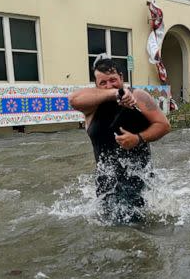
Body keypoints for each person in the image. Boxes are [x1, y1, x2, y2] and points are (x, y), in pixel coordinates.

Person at [69, 55, 171, 223]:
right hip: (106, 185)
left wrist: (138, 138)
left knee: (137, 232)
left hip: (139, 181)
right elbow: (73, 99)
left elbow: (163, 125)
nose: (109, 85)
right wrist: (114, 93)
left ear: (122, 78)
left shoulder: (139, 96)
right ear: (96, 85)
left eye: (113, 80)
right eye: (103, 83)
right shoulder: (91, 107)